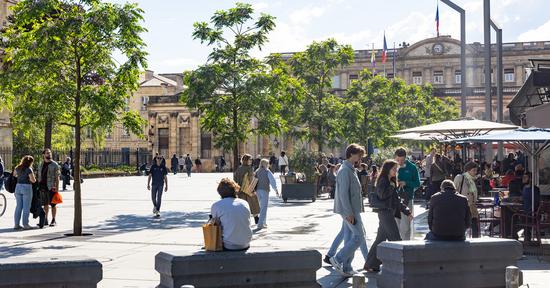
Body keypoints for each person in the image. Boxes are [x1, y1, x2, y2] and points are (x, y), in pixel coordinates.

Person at [364, 160, 412, 272]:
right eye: (394, 169)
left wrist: (407, 211)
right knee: (396, 239)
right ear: (388, 169)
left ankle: (370, 264)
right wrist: (391, 186)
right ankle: (400, 264)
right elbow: (382, 195)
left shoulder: (391, 181)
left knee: (380, 240)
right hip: (385, 213)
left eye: (397, 169)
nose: (396, 171)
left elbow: (396, 200)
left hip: (388, 212)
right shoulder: (383, 180)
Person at [329, 144, 366, 277]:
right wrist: (349, 213)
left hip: (352, 209)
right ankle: (337, 259)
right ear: (351, 154)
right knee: (359, 237)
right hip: (350, 210)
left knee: (350, 237)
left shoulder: (350, 169)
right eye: (359, 154)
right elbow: (343, 194)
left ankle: (347, 267)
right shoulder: (345, 170)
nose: (360, 157)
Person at [211, 178, 253, 251]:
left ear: (220, 192)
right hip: (246, 242)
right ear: (235, 190)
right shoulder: (244, 203)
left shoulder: (216, 205)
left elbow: (215, 225)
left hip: (229, 245)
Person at [394, 148, 420, 240]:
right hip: (394, 200)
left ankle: (406, 245)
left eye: (402, 160)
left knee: (405, 227)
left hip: (407, 199)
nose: (400, 162)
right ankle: (396, 246)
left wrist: (406, 183)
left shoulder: (412, 167)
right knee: (395, 225)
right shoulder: (392, 166)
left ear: (406, 158)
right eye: (398, 160)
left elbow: (417, 183)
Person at [454, 161, 480, 238]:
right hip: (462, 206)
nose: (475, 172)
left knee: (474, 224)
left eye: (476, 170)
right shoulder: (460, 177)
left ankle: (475, 240)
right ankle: (460, 238)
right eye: (473, 170)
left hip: (472, 206)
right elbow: (454, 191)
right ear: (468, 170)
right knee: (462, 225)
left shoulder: (472, 180)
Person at [233, 154, 261, 224]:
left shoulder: (238, 169)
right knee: (253, 204)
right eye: (250, 159)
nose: (251, 161)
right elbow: (251, 179)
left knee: (242, 206)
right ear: (246, 160)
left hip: (240, 191)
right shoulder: (249, 168)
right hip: (249, 190)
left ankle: (243, 220)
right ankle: (256, 218)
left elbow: (234, 179)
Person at [254, 159, 279, 230]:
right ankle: (260, 224)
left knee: (260, 207)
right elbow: (272, 181)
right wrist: (276, 189)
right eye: (267, 164)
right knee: (263, 207)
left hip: (257, 191)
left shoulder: (257, 171)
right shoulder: (267, 171)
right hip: (265, 190)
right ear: (265, 164)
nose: (268, 165)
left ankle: (264, 222)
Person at [37, 149, 60, 227]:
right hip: (42, 186)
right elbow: (38, 174)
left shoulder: (55, 164)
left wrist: (57, 187)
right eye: (47, 153)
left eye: (50, 153)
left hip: (51, 187)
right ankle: (45, 219)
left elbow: (57, 177)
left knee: (53, 204)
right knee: (45, 204)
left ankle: (53, 220)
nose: (49, 155)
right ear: (44, 155)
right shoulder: (41, 164)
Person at [13, 156, 37, 230]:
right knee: (26, 207)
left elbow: (14, 175)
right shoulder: (29, 169)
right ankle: (25, 224)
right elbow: (33, 180)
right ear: (30, 162)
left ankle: (16, 225)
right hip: (26, 187)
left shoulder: (17, 167)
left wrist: (20, 177)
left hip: (18, 187)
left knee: (18, 206)